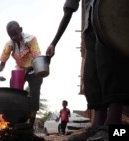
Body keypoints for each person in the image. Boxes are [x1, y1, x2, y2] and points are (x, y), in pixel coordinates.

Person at [46, 0, 129, 141]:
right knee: (91, 74)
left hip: (111, 12)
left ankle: (114, 127)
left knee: (110, 63)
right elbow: (69, 10)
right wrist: (54, 42)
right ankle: (97, 126)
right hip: (90, 24)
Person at [0, 21, 42, 127]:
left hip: (34, 69)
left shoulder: (31, 39)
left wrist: (28, 70)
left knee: (34, 94)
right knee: (14, 93)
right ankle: (15, 120)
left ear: (21, 29)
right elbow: (2, 64)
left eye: (16, 34)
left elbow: (37, 59)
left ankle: (30, 125)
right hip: (20, 69)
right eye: (11, 36)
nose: (14, 37)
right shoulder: (9, 44)